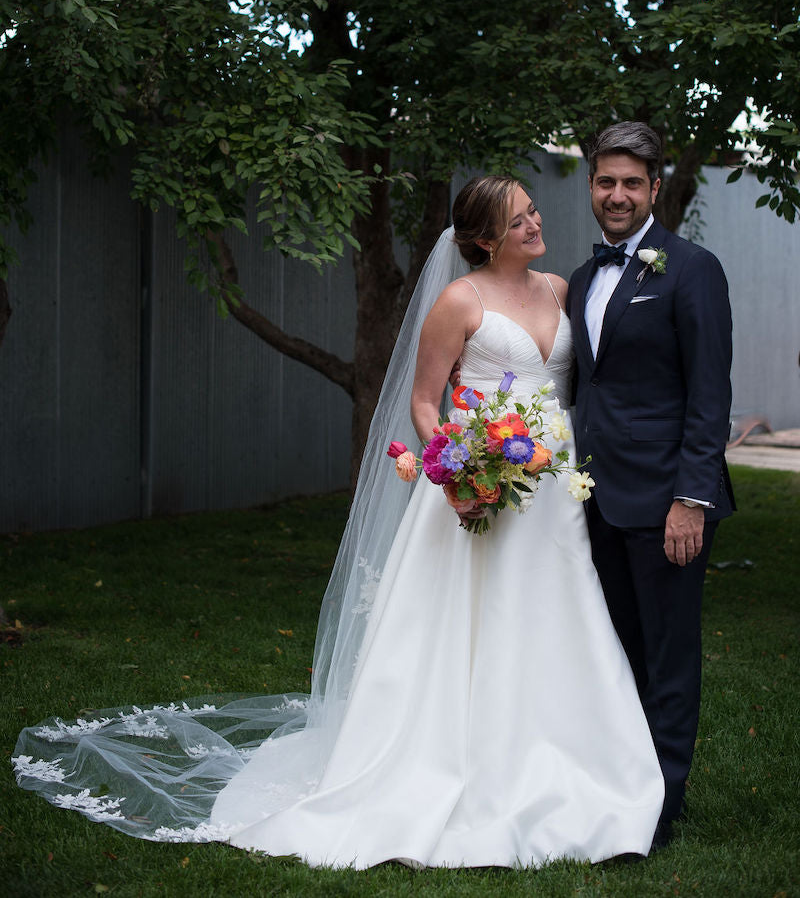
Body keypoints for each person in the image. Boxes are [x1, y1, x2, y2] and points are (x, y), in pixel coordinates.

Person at [14, 177, 664, 867]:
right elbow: (423, 404)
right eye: (518, 220)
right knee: (467, 626)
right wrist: (456, 473)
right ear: (483, 238)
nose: (536, 223)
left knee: (558, 618)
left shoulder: (562, 290)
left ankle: (567, 762)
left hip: (551, 495)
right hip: (479, 490)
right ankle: (456, 762)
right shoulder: (458, 301)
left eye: (533, 210)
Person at [566, 123, 735, 849]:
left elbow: (709, 395)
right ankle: (622, 784)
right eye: (606, 181)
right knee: (615, 654)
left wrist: (690, 499)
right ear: (592, 186)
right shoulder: (579, 279)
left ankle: (665, 803)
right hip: (593, 500)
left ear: (656, 189)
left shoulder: (692, 268)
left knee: (668, 656)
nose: (618, 194)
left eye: (633, 183)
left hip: (668, 499)